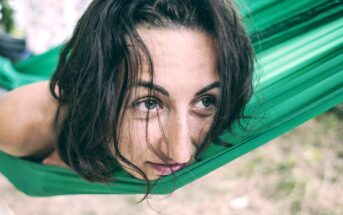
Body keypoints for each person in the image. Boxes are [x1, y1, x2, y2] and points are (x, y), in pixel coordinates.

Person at [0, 0, 254, 184]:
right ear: (96, 92)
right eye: (149, 103)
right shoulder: (18, 124)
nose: (181, 153)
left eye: (206, 101)